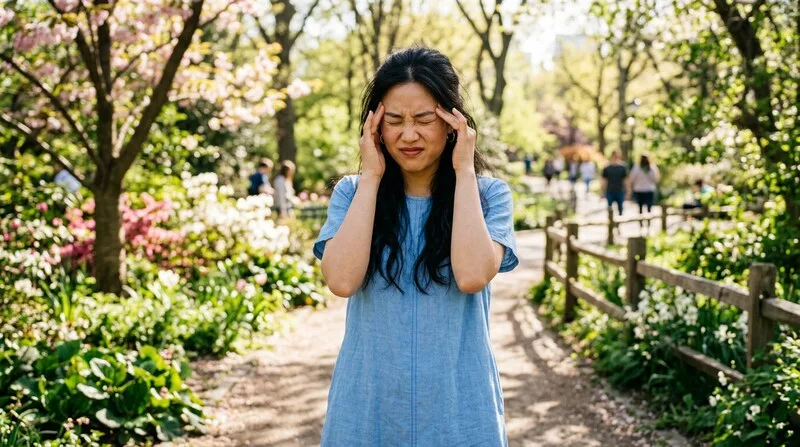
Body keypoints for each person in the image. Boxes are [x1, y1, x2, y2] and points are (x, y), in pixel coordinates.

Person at [312, 47, 518, 445]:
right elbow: (340, 280)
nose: (408, 135)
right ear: (375, 126)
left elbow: (473, 275)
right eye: (394, 121)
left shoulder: (489, 196)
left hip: (459, 413)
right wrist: (370, 177)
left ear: (452, 122)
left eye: (424, 119)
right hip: (366, 411)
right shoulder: (352, 194)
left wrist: (463, 170)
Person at [601, 151, 628, 215]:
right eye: (615, 155)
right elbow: (604, 180)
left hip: (620, 190)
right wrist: (602, 191)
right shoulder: (607, 167)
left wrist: (628, 191)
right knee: (609, 208)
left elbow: (626, 180)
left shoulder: (623, 167)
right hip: (610, 190)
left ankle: (619, 222)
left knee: (620, 208)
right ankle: (611, 223)